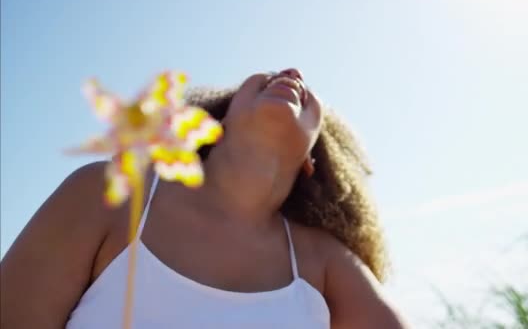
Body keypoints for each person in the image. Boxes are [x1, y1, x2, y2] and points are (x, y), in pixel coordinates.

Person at [0, 69, 408, 328]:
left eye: (307, 95)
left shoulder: (325, 262)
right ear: (219, 119)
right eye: (263, 79)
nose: (292, 74)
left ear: (311, 160)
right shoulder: (109, 191)